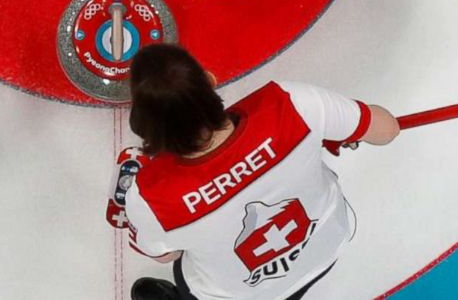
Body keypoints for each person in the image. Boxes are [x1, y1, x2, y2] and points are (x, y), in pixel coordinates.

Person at [121, 44, 400, 300]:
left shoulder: (150, 195)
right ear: (209, 80)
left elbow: (165, 254)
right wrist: (342, 126)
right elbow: (387, 129)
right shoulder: (293, 105)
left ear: (146, 125)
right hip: (324, 246)